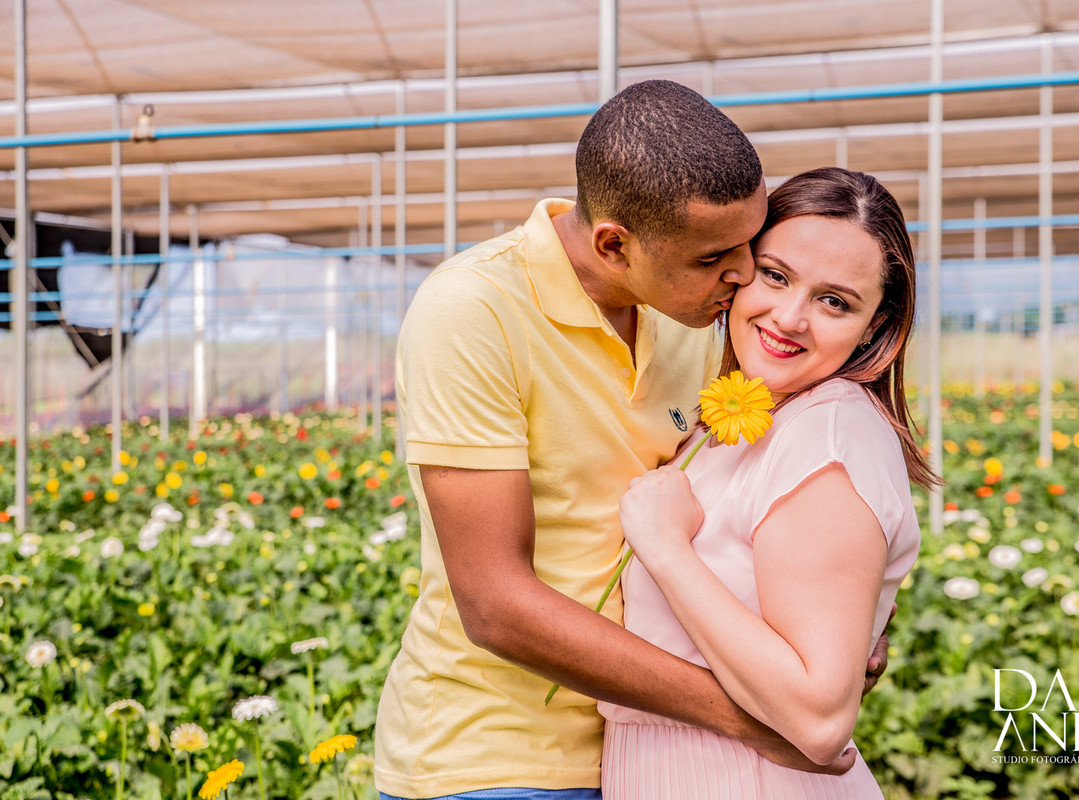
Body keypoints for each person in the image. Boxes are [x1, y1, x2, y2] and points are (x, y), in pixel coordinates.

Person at [374, 82, 887, 800]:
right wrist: (750, 717)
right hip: (492, 757)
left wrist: (834, 629)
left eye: (750, 245)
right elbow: (494, 603)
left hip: (641, 755)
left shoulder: (694, 311)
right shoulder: (474, 310)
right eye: (715, 257)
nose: (741, 277)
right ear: (615, 244)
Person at [600, 167, 938, 799]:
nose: (790, 317)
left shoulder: (827, 433)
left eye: (835, 301)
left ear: (874, 326)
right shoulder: (749, 416)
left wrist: (666, 548)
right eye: (775, 275)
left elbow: (817, 719)